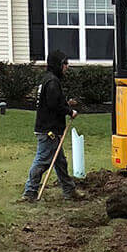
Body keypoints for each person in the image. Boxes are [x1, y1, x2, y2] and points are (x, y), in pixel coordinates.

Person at [19, 50, 85, 202]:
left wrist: (66, 103)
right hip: (49, 130)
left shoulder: (47, 80)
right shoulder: (53, 82)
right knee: (42, 161)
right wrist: (70, 111)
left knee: (60, 162)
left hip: (49, 127)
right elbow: (54, 105)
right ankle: (30, 193)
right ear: (58, 65)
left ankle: (69, 191)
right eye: (65, 64)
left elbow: (51, 102)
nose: (67, 67)